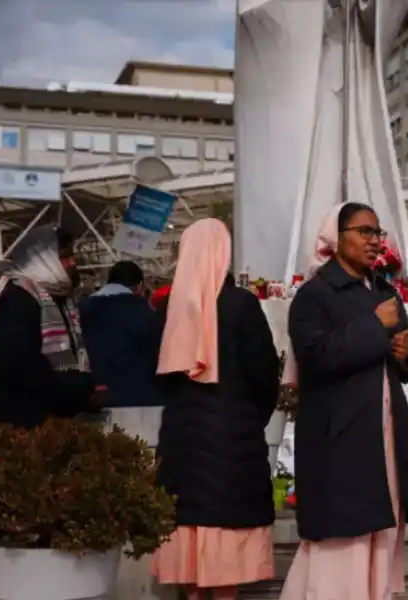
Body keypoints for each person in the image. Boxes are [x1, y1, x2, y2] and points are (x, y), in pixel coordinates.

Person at [279, 203, 408, 600]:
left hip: (385, 434)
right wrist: (375, 327)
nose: (374, 241)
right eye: (364, 231)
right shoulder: (314, 295)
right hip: (339, 438)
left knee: (381, 535)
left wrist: (406, 353)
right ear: (337, 236)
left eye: (378, 233)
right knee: (343, 544)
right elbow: (316, 355)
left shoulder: (384, 291)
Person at [151, 218, 280, 600]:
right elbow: (263, 373)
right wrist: (251, 418)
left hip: (180, 440)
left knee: (187, 529)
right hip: (232, 441)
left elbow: (159, 376)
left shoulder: (169, 308)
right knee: (226, 543)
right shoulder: (241, 304)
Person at [0, 225, 98, 429]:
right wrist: (80, 386)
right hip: (19, 427)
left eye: (72, 257)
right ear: (41, 260)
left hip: (53, 422)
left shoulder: (61, 300)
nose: (72, 263)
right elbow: (18, 367)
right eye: (65, 257)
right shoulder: (17, 299)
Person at [80, 261, 163, 407]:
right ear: (139, 286)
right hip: (141, 394)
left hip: (95, 395)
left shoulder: (83, 308)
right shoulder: (144, 310)